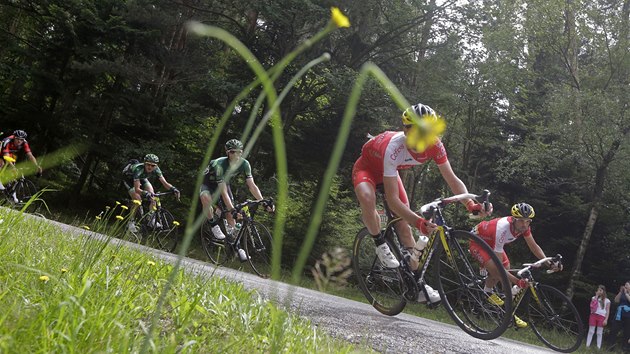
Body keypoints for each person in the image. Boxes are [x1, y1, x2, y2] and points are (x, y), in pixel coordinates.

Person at [352, 103, 491, 304]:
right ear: (406, 130)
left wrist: (470, 204)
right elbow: (392, 200)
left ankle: (417, 284)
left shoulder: (435, 145)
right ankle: (379, 243)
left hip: (389, 174)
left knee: (403, 226)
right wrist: (419, 222)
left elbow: (452, 180)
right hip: (366, 169)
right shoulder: (394, 147)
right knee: (367, 197)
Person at [469, 202, 562, 328]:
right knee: (499, 273)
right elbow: (498, 267)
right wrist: (517, 281)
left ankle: (497, 303)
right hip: (478, 244)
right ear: (513, 219)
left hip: (493, 244)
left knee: (506, 270)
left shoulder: (523, 227)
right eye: (521, 221)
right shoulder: (502, 228)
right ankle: (494, 301)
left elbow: (533, 246)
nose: (524, 224)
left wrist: (548, 262)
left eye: (528, 221)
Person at [199, 139, 273, 260]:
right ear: (227, 152)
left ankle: (237, 247)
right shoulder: (219, 164)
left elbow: (252, 185)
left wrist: (263, 201)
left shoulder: (245, 164)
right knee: (206, 198)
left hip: (223, 183)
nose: (236, 155)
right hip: (208, 184)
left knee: (230, 216)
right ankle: (213, 225)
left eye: (239, 152)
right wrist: (232, 209)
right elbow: (222, 192)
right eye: (233, 152)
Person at [123, 153, 180, 232]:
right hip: (129, 178)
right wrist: (145, 193)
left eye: (153, 165)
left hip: (142, 177)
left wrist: (173, 189)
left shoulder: (157, 169)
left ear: (156, 166)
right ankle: (130, 222)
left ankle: (151, 218)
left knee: (154, 196)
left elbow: (165, 183)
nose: (150, 167)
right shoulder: (138, 169)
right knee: (138, 199)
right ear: (144, 163)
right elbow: (137, 189)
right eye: (148, 165)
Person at [0, 130, 43, 201]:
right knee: (1, 163)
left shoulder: (24, 143)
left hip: (9, 154)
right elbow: (5, 156)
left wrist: (37, 166)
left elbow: (30, 155)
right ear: (14, 137)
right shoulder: (8, 141)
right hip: (1, 151)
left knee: (14, 173)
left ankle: (12, 193)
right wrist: (12, 167)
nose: (19, 141)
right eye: (17, 139)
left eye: (21, 139)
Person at [606, 281, 630, 351]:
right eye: (625, 284)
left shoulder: (626, 293)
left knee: (627, 332)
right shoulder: (622, 293)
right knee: (613, 330)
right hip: (619, 315)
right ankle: (610, 347)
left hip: (628, 316)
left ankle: (625, 348)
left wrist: (626, 293)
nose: (625, 286)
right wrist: (620, 292)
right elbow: (616, 300)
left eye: (627, 285)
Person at [586, 285, 610, 349]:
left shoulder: (607, 300)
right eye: (598, 290)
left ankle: (598, 347)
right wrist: (596, 297)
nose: (599, 291)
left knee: (599, 332)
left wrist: (606, 319)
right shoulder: (593, 298)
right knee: (591, 331)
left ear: (603, 291)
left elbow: (607, 311)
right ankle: (587, 345)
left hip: (602, 317)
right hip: (593, 315)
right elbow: (592, 306)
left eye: (600, 290)